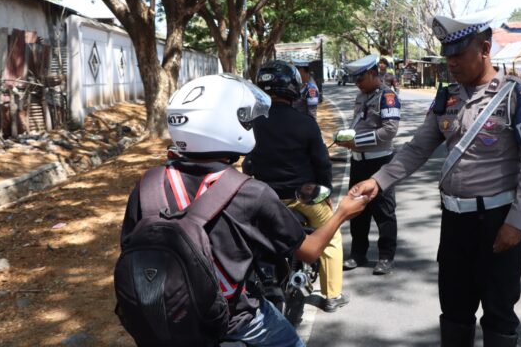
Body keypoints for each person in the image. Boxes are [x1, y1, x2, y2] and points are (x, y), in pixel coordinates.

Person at [121, 73, 369, 346]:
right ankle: (333, 294)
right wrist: (343, 212)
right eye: (244, 118)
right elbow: (309, 250)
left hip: (163, 319)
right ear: (225, 124)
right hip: (233, 320)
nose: (249, 124)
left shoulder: (148, 184)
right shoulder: (249, 192)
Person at [350, 9, 521, 347]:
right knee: (455, 312)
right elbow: (417, 149)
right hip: (454, 223)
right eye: (448, 56)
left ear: (485, 49)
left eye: (459, 55)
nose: (451, 63)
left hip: (497, 223)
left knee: (499, 314)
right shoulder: (447, 97)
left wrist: (516, 223)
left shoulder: (519, 96)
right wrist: (379, 180)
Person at [245, 60, 350, 312]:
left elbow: (247, 164)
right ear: (293, 88)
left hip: (265, 199)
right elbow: (322, 163)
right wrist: (326, 193)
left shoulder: (252, 124)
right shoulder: (305, 123)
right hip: (305, 200)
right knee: (331, 237)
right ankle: (332, 295)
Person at [338, 54, 401, 276]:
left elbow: (390, 130)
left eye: (360, 79)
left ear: (373, 74)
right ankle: (358, 253)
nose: (357, 83)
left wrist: (356, 142)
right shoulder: (361, 96)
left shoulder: (388, 97)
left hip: (380, 162)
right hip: (358, 163)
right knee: (357, 211)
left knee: (384, 211)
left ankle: (386, 256)